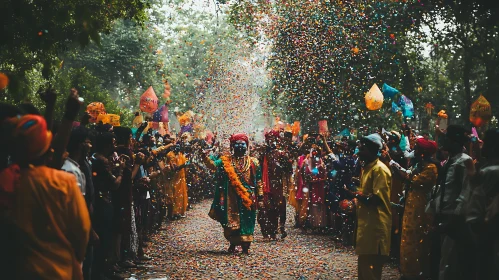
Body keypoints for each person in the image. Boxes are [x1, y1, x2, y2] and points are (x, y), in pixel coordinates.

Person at [8, 114, 91, 279]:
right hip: (59, 270)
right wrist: (77, 257)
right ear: (48, 147)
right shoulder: (63, 181)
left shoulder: (8, 180)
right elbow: (82, 228)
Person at [201, 133, 263, 254]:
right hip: (231, 197)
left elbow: (259, 181)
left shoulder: (253, 162)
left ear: (247, 146)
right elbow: (213, 165)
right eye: (237, 144)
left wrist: (260, 197)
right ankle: (233, 243)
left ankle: (246, 245)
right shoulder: (226, 161)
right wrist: (204, 157)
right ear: (232, 146)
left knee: (247, 219)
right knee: (231, 220)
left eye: (243, 144)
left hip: (248, 197)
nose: (240, 147)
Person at [388, 138, 438, 279]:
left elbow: (411, 179)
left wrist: (393, 164)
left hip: (421, 209)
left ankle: (416, 273)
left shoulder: (431, 168)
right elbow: (406, 175)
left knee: (417, 242)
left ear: (423, 152)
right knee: (407, 240)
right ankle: (407, 272)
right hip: (411, 208)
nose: (414, 151)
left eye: (417, 148)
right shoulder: (419, 165)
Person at [345, 133, 392, 280]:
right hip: (367, 226)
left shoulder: (379, 170)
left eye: (362, 149)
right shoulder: (368, 168)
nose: (359, 152)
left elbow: (375, 199)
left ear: (372, 150)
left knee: (370, 270)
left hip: (375, 226)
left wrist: (354, 194)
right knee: (365, 268)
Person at [434, 125, 475, 280]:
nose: (446, 143)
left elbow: (466, 191)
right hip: (444, 214)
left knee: (450, 261)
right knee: (443, 258)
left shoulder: (465, 161)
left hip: (454, 218)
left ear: (457, 143)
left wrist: (455, 217)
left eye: (449, 140)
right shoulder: (450, 160)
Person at [466, 129, 499, 280]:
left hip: (487, 234)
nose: (481, 145)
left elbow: (476, 181)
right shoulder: (489, 168)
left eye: (484, 142)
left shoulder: (491, 172)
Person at [258, 130, 291, 240]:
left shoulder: (280, 154)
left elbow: (288, 169)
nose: (271, 141)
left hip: (278, 185)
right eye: (269, 139)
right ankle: (266, 232)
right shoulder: (262, 154)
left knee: (278, 208)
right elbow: (256, 168)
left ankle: (276, 230)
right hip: (264, 185)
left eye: (273, 139)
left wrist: (285, 160)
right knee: (264, 209)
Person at [302, 144, 327, 230]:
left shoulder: (321, 161)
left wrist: (318, 179)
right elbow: (306, 173)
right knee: (312, 203)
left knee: (319, 203)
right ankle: (313, 223)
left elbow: (324, 174)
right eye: (313, 151)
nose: (314, 153)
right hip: (312, 186)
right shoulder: (308, 161)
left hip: (319, 185)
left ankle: (320, 224)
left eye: (316, 151)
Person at [165, 143, 188, 219]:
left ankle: (180, 211)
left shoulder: (180, 154)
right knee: (174, 196)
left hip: (181, 178)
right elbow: (174, 168)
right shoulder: (170, 155)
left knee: (181, 195)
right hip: (173, 179)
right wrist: (183, 165)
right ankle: (174, 213)